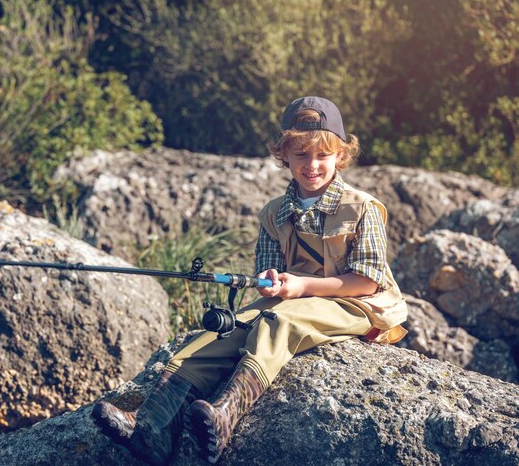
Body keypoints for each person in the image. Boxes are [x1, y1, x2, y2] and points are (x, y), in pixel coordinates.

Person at [91, 96, 408, 465]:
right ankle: (151, 430)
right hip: (294, 297)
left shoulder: (362, 207)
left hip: (356, 304)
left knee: (279, 321)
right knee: (220, 333)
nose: (312, 165)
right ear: (283, 155)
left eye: (323, 155)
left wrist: (302, 287)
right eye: (301, 154)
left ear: (341, 155)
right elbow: (268, 273)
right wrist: (269, 282)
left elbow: (367, 281)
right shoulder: (274, 212)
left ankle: (225, 416)